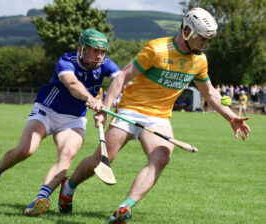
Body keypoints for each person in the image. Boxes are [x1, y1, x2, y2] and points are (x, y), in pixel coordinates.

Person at [58, 8, 251, 223]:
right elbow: (122, 76)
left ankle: (125, 207)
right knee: (102, 159)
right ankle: (69, 186)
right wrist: (105, 107)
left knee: (162, 156)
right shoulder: (157, 49)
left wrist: (231, 117)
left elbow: (210, 92)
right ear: (187, 31)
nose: (205, 45)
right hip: (130, 109)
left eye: (208, 41)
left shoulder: (200, 60)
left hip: (159, 117)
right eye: (202, 39)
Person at [0, 29, 120, 216]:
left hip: (73, 119)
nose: (99, 56)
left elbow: (120, 79)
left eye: (103, 51)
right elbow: (72, 84)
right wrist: (91, 99)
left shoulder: (106, 64)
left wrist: (107, 106)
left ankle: (41, 198)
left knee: (67, 154)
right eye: (94, 50)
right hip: (47, 111)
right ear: (81, 49)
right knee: (25, 150)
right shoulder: (66, 61)